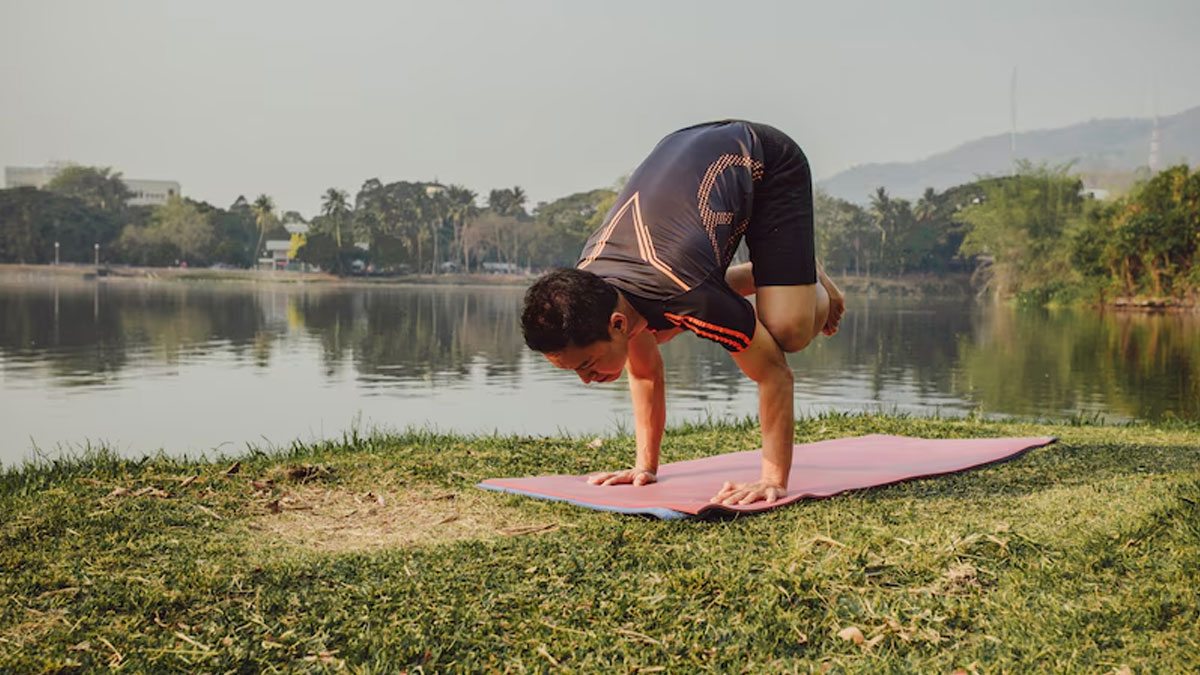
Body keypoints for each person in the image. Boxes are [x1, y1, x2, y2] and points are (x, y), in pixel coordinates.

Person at [521, 120, 845, 506]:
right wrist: (645, 468)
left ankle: (801, 273)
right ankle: (781, 274)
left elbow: (774, 374)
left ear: (617, 324)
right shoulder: (595, 291)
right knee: (665, 315)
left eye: (587, 365)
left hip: (765, 161)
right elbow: (643, 372)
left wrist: (772, 479)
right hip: (684, 154)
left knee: (786, 332)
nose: (587, 380)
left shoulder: (685, 296)